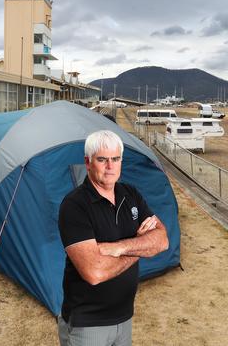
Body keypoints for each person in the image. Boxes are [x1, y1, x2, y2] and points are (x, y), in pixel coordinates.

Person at [58, 130, 169, 346]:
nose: (110, 166)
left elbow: (162, 240)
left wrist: (119, 248)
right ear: (88, 162)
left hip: (125, 316)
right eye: (102, 160)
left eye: (115, 159)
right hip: (88, 323)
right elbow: (94, 272)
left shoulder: (131, 194)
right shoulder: (74, 206)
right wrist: (141, 247)